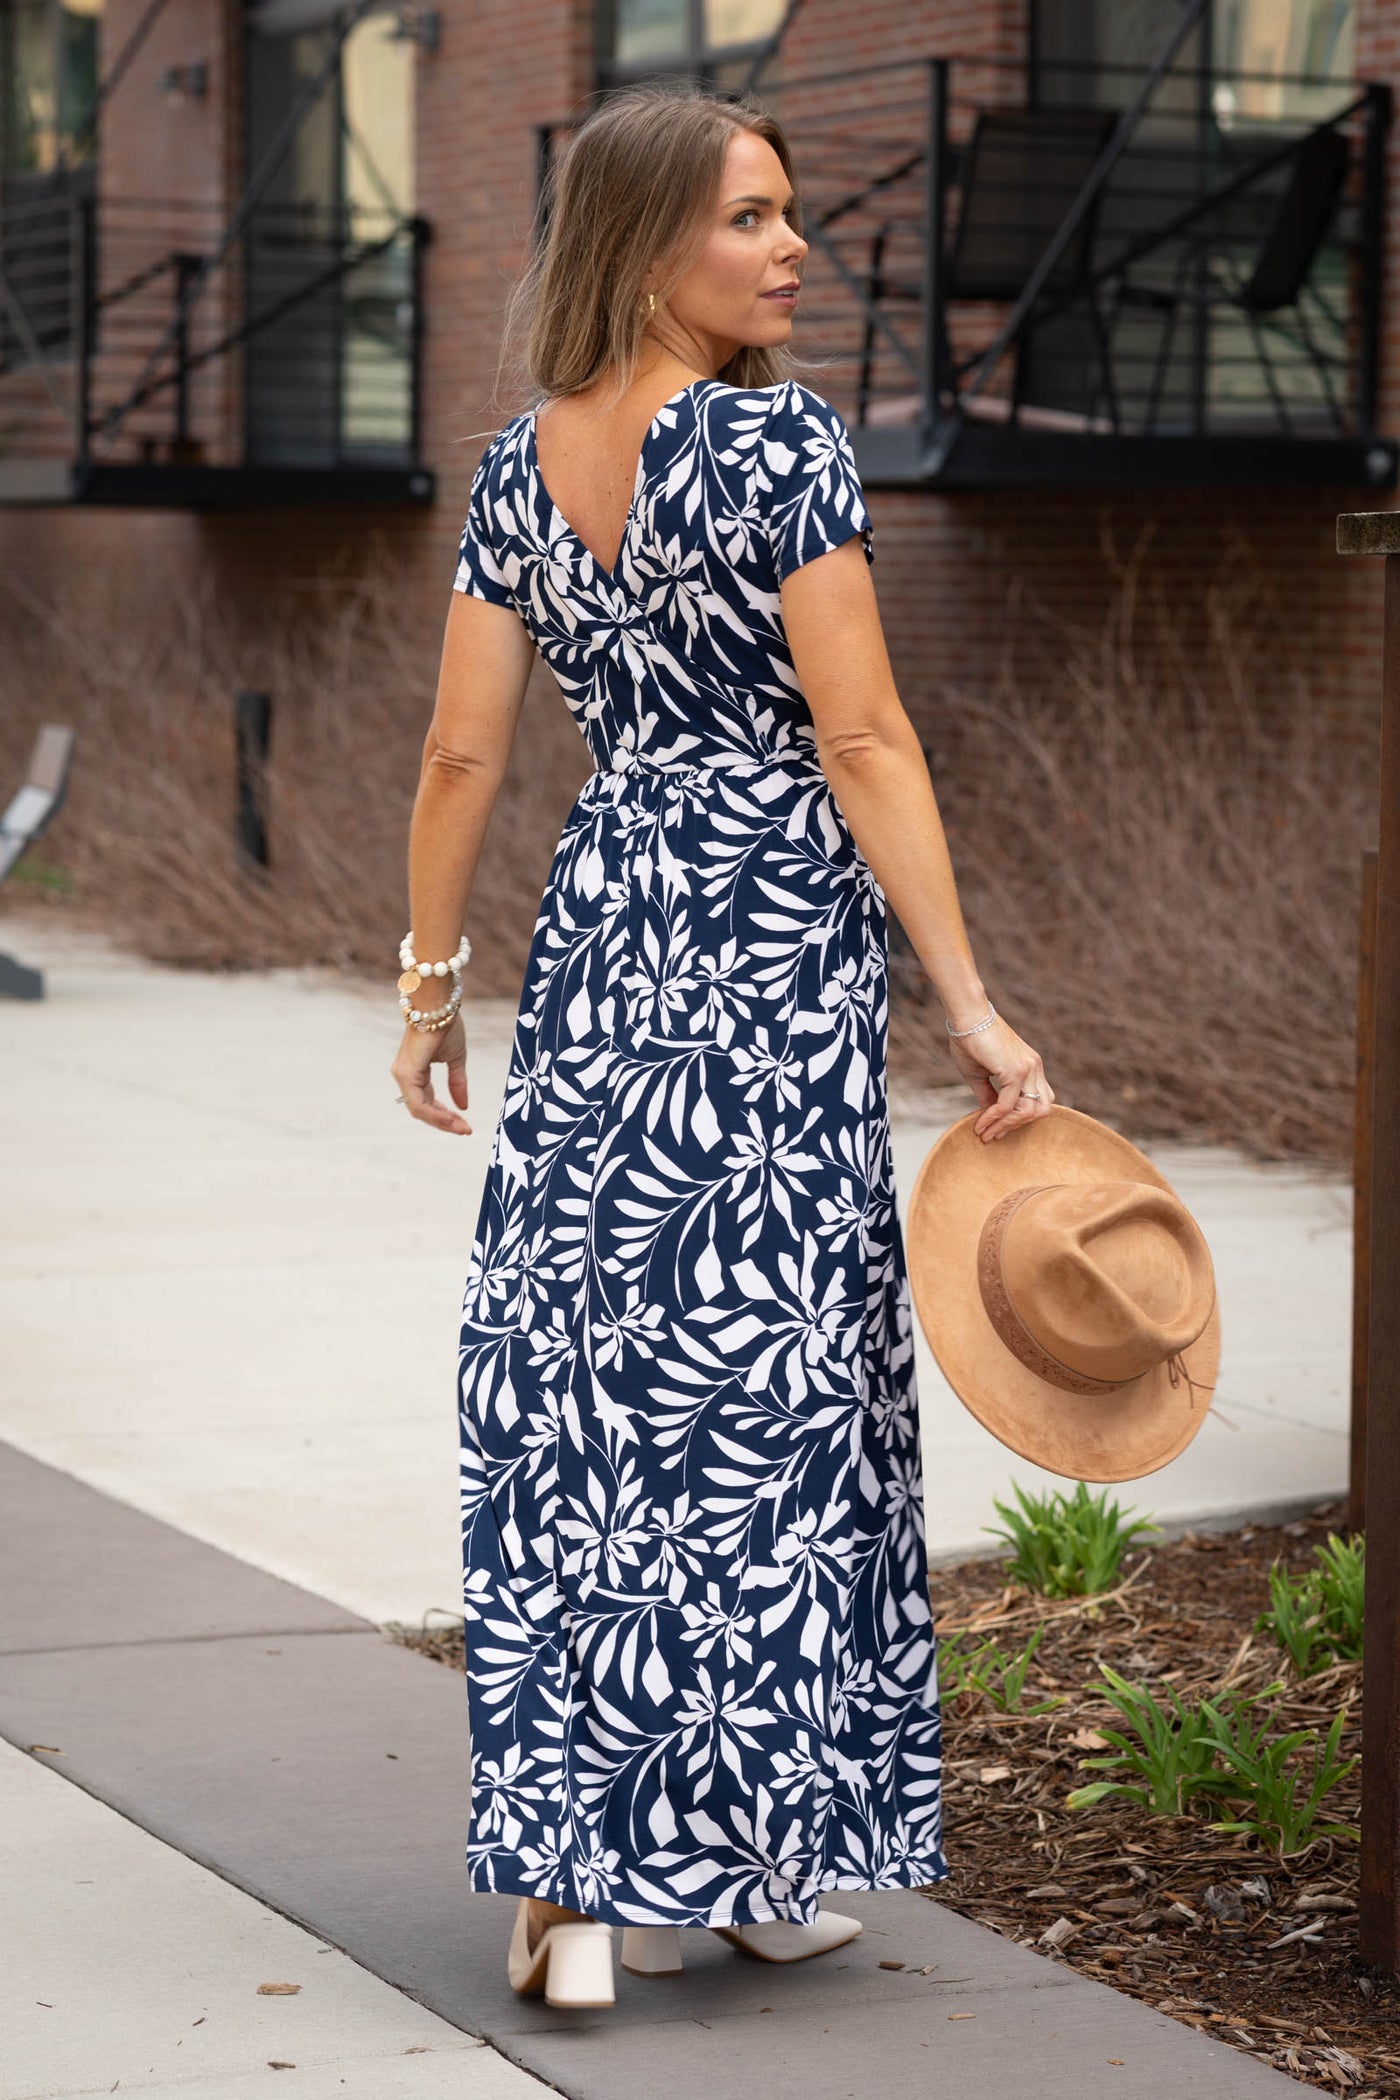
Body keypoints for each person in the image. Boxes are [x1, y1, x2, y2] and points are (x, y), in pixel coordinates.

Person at [391, 81, 1054, 2012]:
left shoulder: (524, 466)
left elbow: (461, 755)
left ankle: (606, 1893)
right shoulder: (775, 443)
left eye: (788, 215)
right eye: (750, 218)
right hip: (764, 943)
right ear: (649, 241)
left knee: (596, 1402)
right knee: (769, 1405)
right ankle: (731, 1859)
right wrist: (971, 995)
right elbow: (861, 742)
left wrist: (431, 984)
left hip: (606, 932)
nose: (790, 250)